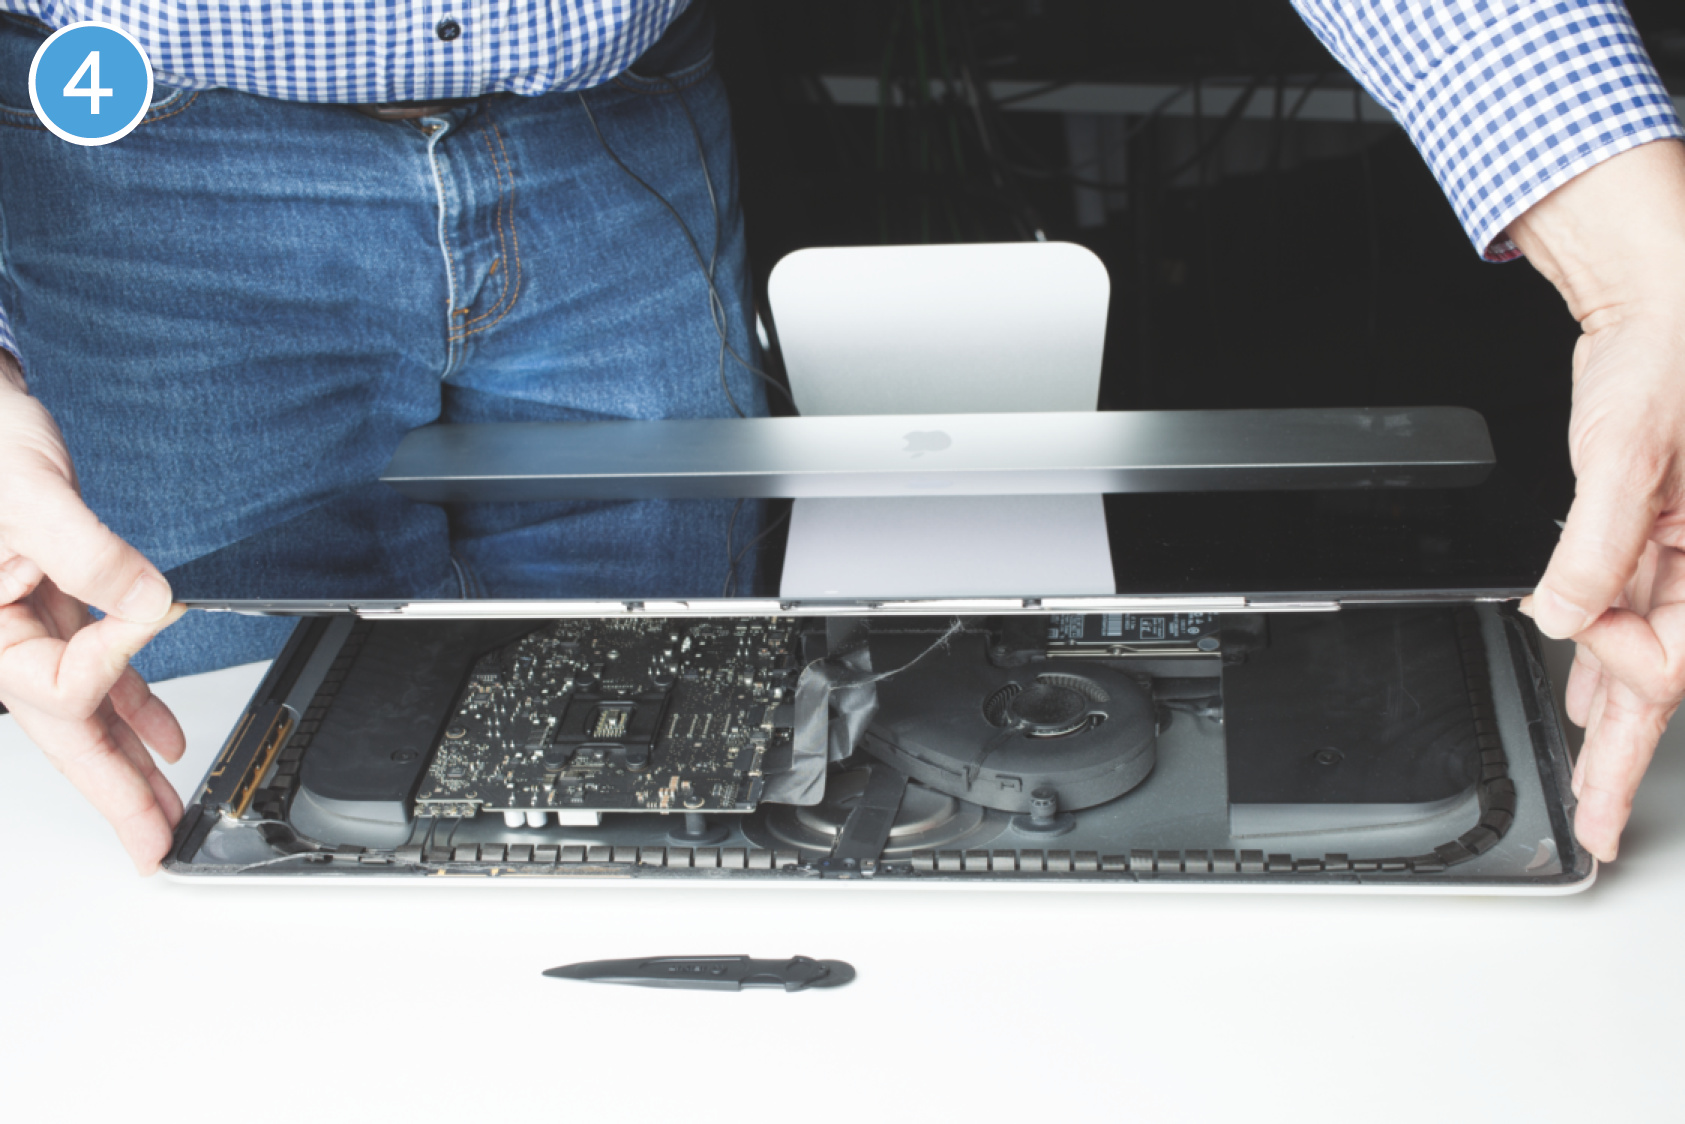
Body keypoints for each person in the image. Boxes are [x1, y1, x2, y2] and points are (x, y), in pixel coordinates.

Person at [0, 0, 1681, 873]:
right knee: (199, 788)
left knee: (665, 802)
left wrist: (1639, 267)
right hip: (135, 176)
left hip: (608, 135)